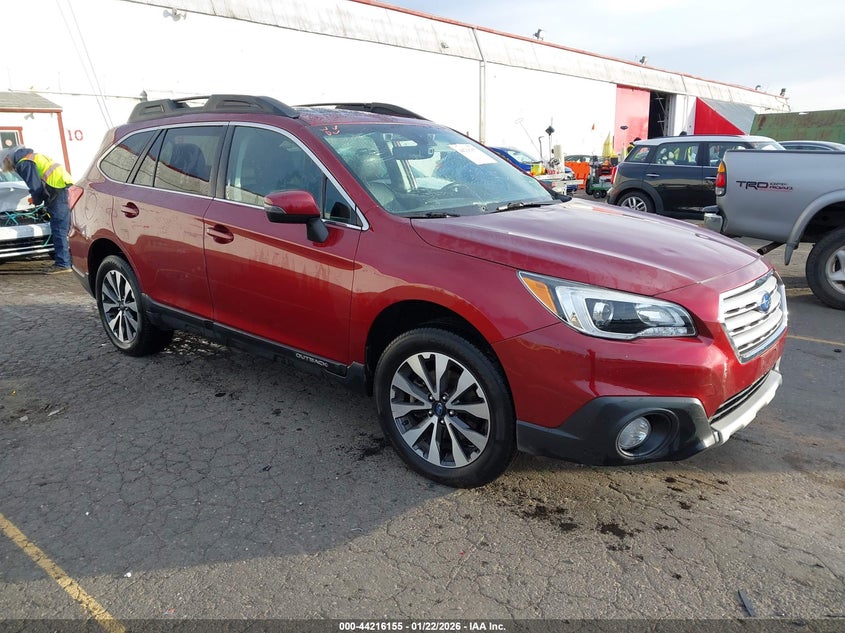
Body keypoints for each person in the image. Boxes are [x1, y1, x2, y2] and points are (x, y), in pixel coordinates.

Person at [0, 146, 74, 274]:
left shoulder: (24, 163)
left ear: (7, 159)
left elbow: (36, 188)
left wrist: (36, 201)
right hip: (64, 187)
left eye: (4, 164)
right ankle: (69, 261)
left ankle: (63, 264)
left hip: (57, 191)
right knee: (65, 227)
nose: (6, 168)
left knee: (59, 229)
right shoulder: (32, 157)